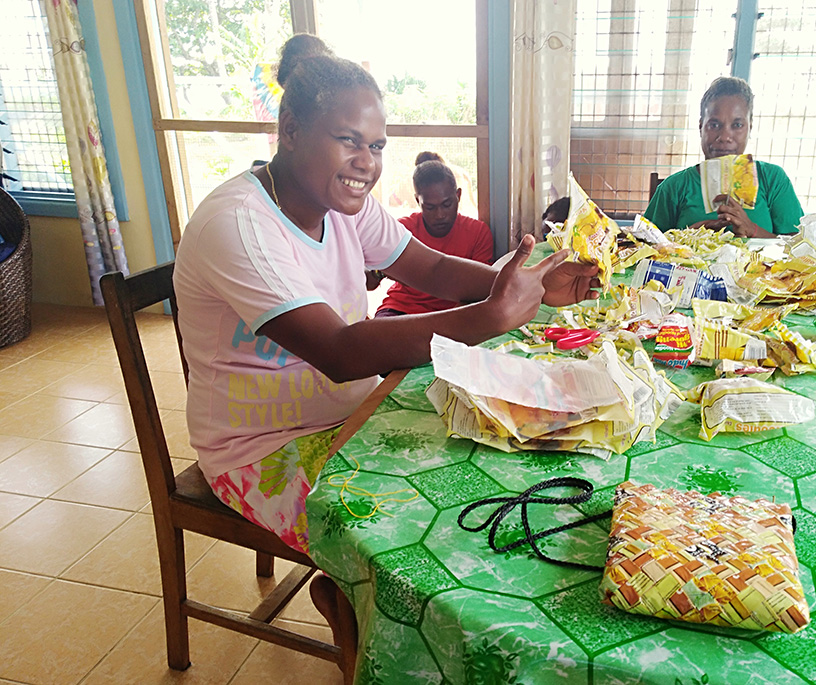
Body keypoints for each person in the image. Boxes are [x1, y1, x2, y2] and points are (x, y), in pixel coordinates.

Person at [172, 35, 598, 634]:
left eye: (376, 146)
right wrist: (489, 318)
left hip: (353, 412)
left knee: (478, 472)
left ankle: (359, 601)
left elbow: (434, 268)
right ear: (289, 129)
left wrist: (527, 282)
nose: (366, 163)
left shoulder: (345, 205)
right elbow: (340, 353)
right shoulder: (238, 224)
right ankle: (361, 615)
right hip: (262, 447)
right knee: (410, 537)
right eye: (348, 140)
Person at [644, 76, 804, 238]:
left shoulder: (772, 179)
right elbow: (644, 246)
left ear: (750, 128)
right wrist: (685, 238)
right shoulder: (674, 187)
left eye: (737, 125)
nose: (725, 136)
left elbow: (799, 246)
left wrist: (751, 230)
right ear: (701, 127)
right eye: (714, 125)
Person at [374, 152, 494, 316]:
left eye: (447, 204)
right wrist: (377, 271)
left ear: (458, 196)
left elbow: (480, 292)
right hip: (401, 310)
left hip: (452, 313)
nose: (440, 215)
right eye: (430, 207)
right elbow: (370, 279)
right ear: (418, 201)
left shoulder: (478, 232)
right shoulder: (403, 229)